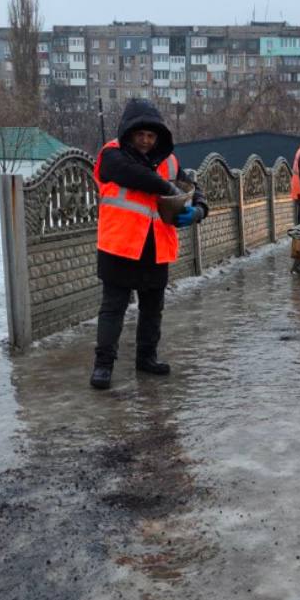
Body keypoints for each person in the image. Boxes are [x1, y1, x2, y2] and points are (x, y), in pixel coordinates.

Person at [90, 98, 207, 389]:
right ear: (128, 133)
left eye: (151, 135)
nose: (145, 140)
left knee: (153, 308)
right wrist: (168, 188)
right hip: (120, 245)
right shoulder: (112, 154)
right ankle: (103, 365)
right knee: (113, 308)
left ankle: (147, 358)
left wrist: (199, 210)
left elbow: (193, 188)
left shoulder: (170, 161)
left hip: (155, 246)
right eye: (140, 134)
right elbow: (136, 175)